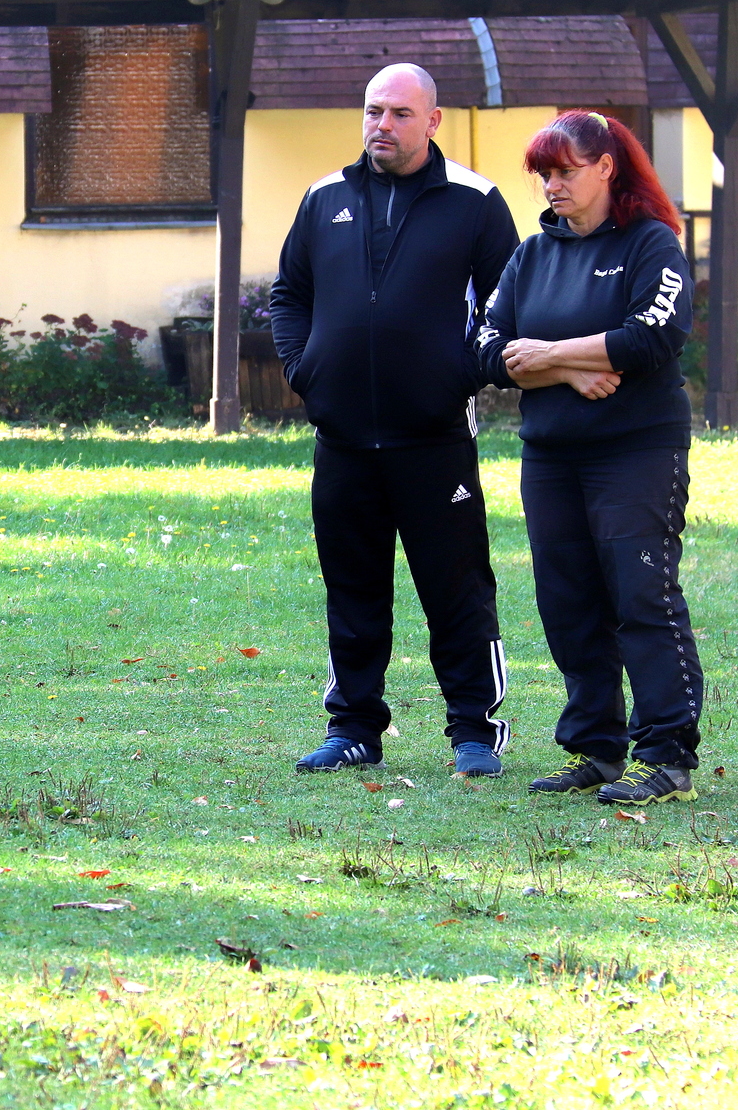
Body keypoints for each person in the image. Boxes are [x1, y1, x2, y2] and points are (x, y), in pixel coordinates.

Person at [270, 63, 521, 778]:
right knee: (352, 590)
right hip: (342, 440)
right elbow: (289, 294)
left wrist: (460, 373)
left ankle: (474, 732)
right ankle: (353, 728)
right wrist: (305, 369)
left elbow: (508, 308)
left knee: (457, 590)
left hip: (434, 438)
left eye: (400, 113)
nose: (382, 125)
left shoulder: (475, 201)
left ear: (433, 121)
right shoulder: (324, 197)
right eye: (373, 111)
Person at [474, 109, 704, 806]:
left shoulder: (651, 243)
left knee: (641, 595)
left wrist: (546, 353)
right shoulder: (531, 255)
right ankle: (596, 748)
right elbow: (485, 349)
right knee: (567, 601)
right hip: (551, 456)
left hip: (636, 450)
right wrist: (571, 370)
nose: (552, 185)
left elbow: (652, 338)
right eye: (544, 173)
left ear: (606, 167)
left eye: (565, 171)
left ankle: (665, 755)